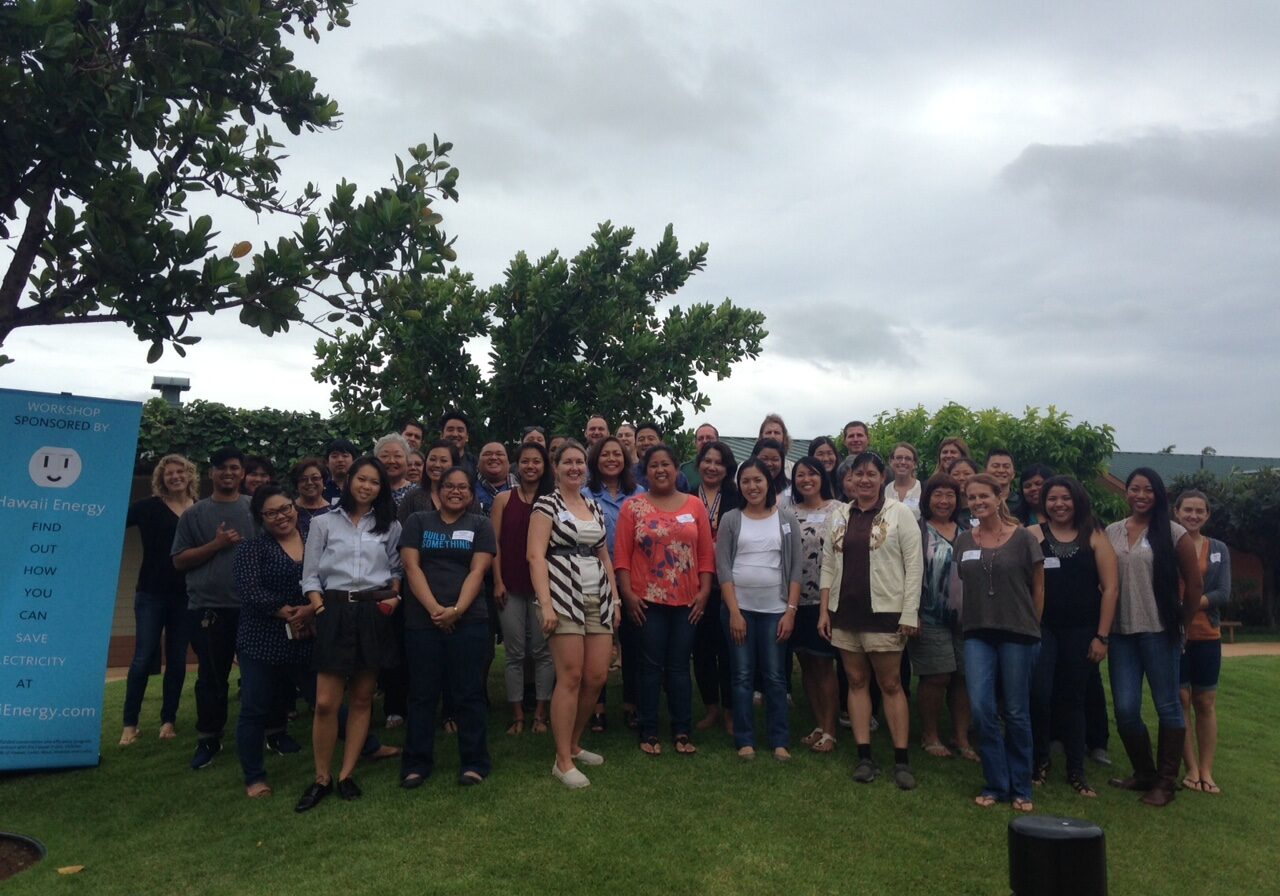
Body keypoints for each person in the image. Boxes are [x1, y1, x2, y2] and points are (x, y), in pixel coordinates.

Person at [296, 457, 404, 811]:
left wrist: (392, 599)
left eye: (374, 482)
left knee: (361, 698)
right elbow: (311, 573)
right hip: (334, 610)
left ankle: (346, 774)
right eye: (362, 479)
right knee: (326, 702)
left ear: (381, 488)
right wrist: (319, 606)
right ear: (349, 481)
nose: (366, 486)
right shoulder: (323, 523)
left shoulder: (390, 525)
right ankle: (321, 777)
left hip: (373, 611)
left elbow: (396, 569)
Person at [819, 452, 922, 789]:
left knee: (890, 684)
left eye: (871, 474)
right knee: (856, 680)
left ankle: (901, 759)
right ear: (849, 478)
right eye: (858, 474)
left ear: (882, 478)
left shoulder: (899, 513)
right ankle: (864, 755)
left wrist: (909, 612)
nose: (864, 480)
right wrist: (824, 610)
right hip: (845, 612)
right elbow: (828, 565)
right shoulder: (839, 515)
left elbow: (914, 565)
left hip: (885, 613)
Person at [1102, 469, 1205, 808]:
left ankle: (1165, 782)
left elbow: (1194, 584)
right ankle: (1144, 773)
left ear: (1158, 494)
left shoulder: (1174, 533)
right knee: (1126, 708)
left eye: (1148, 490)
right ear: (1127, 492)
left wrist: (1183, 624)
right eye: (1135, 489)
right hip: (1121, 634)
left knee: (1167, 705)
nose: (1141, 495)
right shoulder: (1113, 531)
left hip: (1159, 631)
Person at [528, 440, 620, 789]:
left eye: (580, 462)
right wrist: (546, 604)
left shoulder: (593, 506)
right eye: (567, 462)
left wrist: (616, 600)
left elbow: (604, 556)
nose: (575, 467)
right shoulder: (546, 505)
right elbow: (535, 556)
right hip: (562, 596)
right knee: (571, 676)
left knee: (596, 677)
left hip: (598, 596)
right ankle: (562, 760)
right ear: (556, 467)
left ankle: (574, 744)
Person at [398, 467, 497, 788]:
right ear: (437, 491)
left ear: (471, 493)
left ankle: (474, 762)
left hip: (469, 619)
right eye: (449, 486)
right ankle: (416, 764)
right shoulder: (418, 522)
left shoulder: (480, 524)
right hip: (422, 620)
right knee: (422, 694)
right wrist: (435, 610)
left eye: (463, 487)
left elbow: (478, 571)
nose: (456, 491)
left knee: (469, 692)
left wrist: (456, 611)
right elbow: (411, 567)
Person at [615, 445, 715, 755]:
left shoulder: (695, 505)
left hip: (687, 601)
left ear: (676, 469)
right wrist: (628, 594)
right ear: (645, 472)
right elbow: (622, 556)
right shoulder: (632, 507)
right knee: (649, 666)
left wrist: (704, 592)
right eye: (654, 465)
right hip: (647, 600)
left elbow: (705, 555)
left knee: (679, 667)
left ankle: (682, 730)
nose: (660, 470)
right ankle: (648, 731)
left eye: (666, 464)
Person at [955, 473, 1044, 812]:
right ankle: (996, 783)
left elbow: (1039, 586)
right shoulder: (964, 541)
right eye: (972, 497)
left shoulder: (1023, 538)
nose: (978, 502)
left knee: (1017, 711)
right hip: (977, 632)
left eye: (984, 496)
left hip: (1018, 632)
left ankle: (1021, 787)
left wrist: (1034, 624)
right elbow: (964, 583)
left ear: (999, 497)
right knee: (981, 709)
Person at [1028, 476, 1118, 798]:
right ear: (1044, 502)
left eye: (1065, 498)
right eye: (1052, 498)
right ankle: (1039, 761)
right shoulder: (1033, 534)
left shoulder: (1094, 534)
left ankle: (1076, 770)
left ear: (1077, 499)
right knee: (1039, 694)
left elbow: (1111, 588)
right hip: (1042, 628)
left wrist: (1102, 636)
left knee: (1074, 699)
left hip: (1082, 630)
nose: (1059, 504)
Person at [171, 446, 255, 771]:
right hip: (209, 608)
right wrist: (216, 545)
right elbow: (179, 560)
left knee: (260, 674)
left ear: (242, 473)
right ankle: (209, 737)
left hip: (252, 606)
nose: (228, 473)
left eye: (234, 467)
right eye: (222, 468)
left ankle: (273, 731)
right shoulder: (194, 514)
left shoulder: (254, 509)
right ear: (211, 473)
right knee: (211, 677)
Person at [233, 485, 317, 798]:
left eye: (285, 508)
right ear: (261, 517)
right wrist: (286, 612)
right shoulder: (252, 549)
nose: (281, 516)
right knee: (254, 709)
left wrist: (309, 611)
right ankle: (254, 777)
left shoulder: (314, 539)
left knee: (324, 699)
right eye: (271, 513)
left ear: (295, 507)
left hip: (306, 635)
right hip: (261, 640)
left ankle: (367, 747)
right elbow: (249, 589)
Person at [715, 459, 802, 761]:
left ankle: (779, 740)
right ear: (739, 486)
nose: (752, 486)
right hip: (739, 611)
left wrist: (790, 611)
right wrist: (734, 612)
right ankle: (745, 739)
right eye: (746, 481)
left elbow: (795, 568)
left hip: (776, 611)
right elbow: (723, 568)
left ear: (769, 483)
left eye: (758, 480)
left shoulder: (786, 519)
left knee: (775, 676)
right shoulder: (731, 519)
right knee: (741, 675)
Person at [120, 454, 197, 746]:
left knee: (177, 660)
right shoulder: (147, 507)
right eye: (169, 473)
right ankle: (130, 724)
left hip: (186, 596)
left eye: (180, 472)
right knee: (142, 659)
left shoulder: (199, 509)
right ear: (161, 479)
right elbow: (111, 522)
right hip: (151, 593)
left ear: (189, 475)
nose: (175, 477)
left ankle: (168, 721)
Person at [582, 436, 646, 732]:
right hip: (594, 576)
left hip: (633, 577)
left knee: (633, 643)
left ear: (625, 459)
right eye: (605, 454)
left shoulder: (640, 494)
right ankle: (597, 707)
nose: (611, 459)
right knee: (598, 643)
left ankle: (632, 704)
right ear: (595, 460)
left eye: (617, 454)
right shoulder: (584, 494)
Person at [492, 442, 555, 735]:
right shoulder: (504, 499)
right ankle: (517, 714)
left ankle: (541, 713)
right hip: (511, 584)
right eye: (525, 461)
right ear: (517, 465)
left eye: (536, 461)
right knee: (515, 652)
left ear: (544, 466)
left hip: (545, 586)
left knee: (543, 651)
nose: (531, 466)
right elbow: (494, 543)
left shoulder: (554, 500)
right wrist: (497, 581)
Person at [914, 473, 977, 763]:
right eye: (937, 494)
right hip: (929, 615)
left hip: (968, 618)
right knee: (937, 676)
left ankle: (961, 736)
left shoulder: (969, 531)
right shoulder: (918, 530)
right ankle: (930, 735)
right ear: (927, 498)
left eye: (950, 495)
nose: (944, 500)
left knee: (964, 676)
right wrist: (912, 613)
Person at [1173, 489, 1231, 795]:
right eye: (1188, 510)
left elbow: (1223, 593)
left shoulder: (1218, 548)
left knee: (1205, 702)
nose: (1193, 515)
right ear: (1177, 512)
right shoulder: (1167, 544)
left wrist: (1190, 604)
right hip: (1175, 635)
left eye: (1199, 511)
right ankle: (1191, 768)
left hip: (1207, 635)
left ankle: (1207, 769)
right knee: (1181, 699)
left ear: (1207, 515)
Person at [788, 458, 841, 754]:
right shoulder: (788, 513)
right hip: (796, 600)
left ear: (822, 477)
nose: (806, 479)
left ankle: (831, 730)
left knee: (823, 664)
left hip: (826, 600)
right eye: (800, 475)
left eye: (812, 473)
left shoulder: (839, 510)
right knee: (806, 662)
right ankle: (819, 724)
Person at [692, 440, 739, 734]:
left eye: (719, 463)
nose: (712, 467)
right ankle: (711, 707)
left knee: (729, 650)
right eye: (707, 461)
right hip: (695, 586)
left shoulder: (737, 497)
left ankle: (731, 711)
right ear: (699, 464)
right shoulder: (686, 497)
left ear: (727, 468)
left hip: (729, 586)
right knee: (702, 649)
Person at [632, 421, 690, 491]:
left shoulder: (677, 476)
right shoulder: (628, 475)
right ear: (635, 444)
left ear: (661, 443)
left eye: (651, 438)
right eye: (641, 439)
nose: (646, 443)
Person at [374, 433, 416, 507]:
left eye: (397, 456)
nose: (391, 461)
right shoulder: (369, 489)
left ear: (407, 460)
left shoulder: (417, 492)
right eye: (385, 456)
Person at [475, 442, 516, 514]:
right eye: (487, 454)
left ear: (509, 463)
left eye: (499, 454)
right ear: (478, 463)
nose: (493, 457)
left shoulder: (524, 488)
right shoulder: (468, 489)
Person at [885, 442, 922, 519]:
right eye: (899, 458)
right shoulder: (885, 490)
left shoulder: (923, 489)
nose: (903, 462)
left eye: (908, 459)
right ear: (891, 461)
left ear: (914, 464)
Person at [290, 457, 331, 523]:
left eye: (315, 478)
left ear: (323, 480)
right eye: (303, 479)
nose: (309, 483)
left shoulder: (333, 511)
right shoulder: (290, 511)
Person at [751, 438, 790, 506]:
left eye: (775, 459)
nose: (769, 464)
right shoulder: (745, 486)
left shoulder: (792, 488)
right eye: (764, 459)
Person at [681, 422, 719, 491]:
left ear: (717, 441)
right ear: (695, 443)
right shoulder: (684, 469)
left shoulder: (728, 468)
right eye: (700, 438)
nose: (704, 441)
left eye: (709, 438)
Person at [439, 409, 478, 475]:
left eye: (460, 430)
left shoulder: (475, 465)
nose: (455, 434)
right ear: (442, 435)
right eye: (450, 430)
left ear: (467, 437)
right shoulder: (431, 462)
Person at [323, 438, 357, 505]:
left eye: (345, 456)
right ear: (327, 463)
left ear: (354, 461)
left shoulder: (360, 487)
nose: (340, 460)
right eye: (334, 456)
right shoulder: (320, 488)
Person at [949, 457, 980, 528]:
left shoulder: (985, 506)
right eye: (956, 474)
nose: (961, 478)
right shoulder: (945, 509)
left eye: (967, 473)